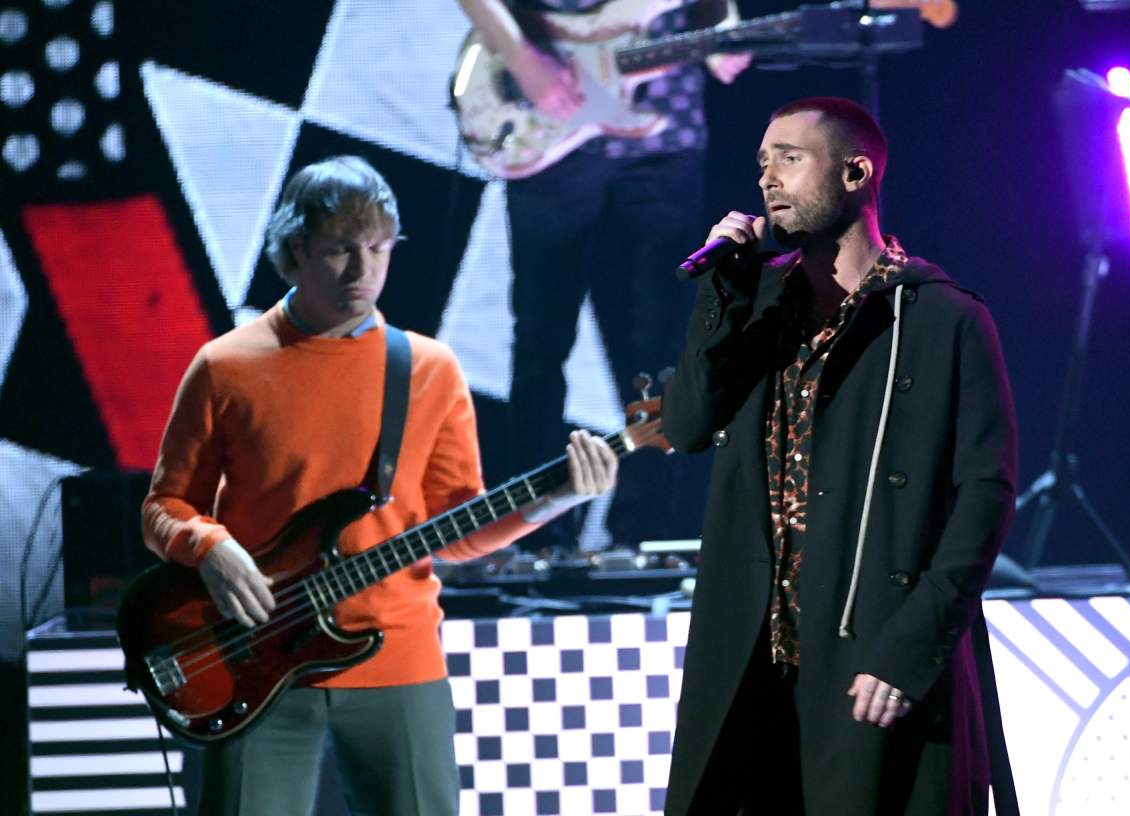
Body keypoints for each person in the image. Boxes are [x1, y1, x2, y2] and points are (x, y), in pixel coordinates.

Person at [141, 156, 618, 815]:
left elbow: (458, 529)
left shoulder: (429, 369)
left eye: (378, 248)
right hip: (253, 655)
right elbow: (164, 506)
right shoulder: (224, 365)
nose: (361, 270)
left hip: (398, 658)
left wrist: (556, 498)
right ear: (295, 250)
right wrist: (209, 548)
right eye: (340, 249)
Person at [660, 98, 1020, 815]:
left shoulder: (940, 318)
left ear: (855, 174)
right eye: (762, 163)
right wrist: (720, 294)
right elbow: (688, 425)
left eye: (790, 159)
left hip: (871, 666)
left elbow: (984, 497)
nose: (768, 179)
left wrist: (911, 646)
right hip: (751, 675)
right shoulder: (756, 307)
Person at [456, 0, 751, 550]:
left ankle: (641, 537)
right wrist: (522, 59)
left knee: (663, 343)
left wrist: (722, 28)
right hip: (548, 109)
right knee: (542, 340)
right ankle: (538, 532)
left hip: (666, 130)